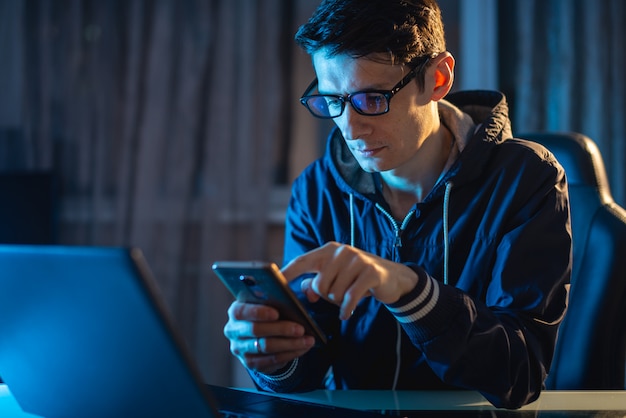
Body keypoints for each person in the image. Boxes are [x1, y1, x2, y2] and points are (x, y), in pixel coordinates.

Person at [223, 0, 571, 409]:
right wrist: (275, 357)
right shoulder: (318, 190)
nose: (350, 128)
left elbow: (520, 374)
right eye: (331, 101)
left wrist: (409, 290)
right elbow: (307, 370)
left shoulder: (526, 179)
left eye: (371, 99)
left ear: (438, 78)